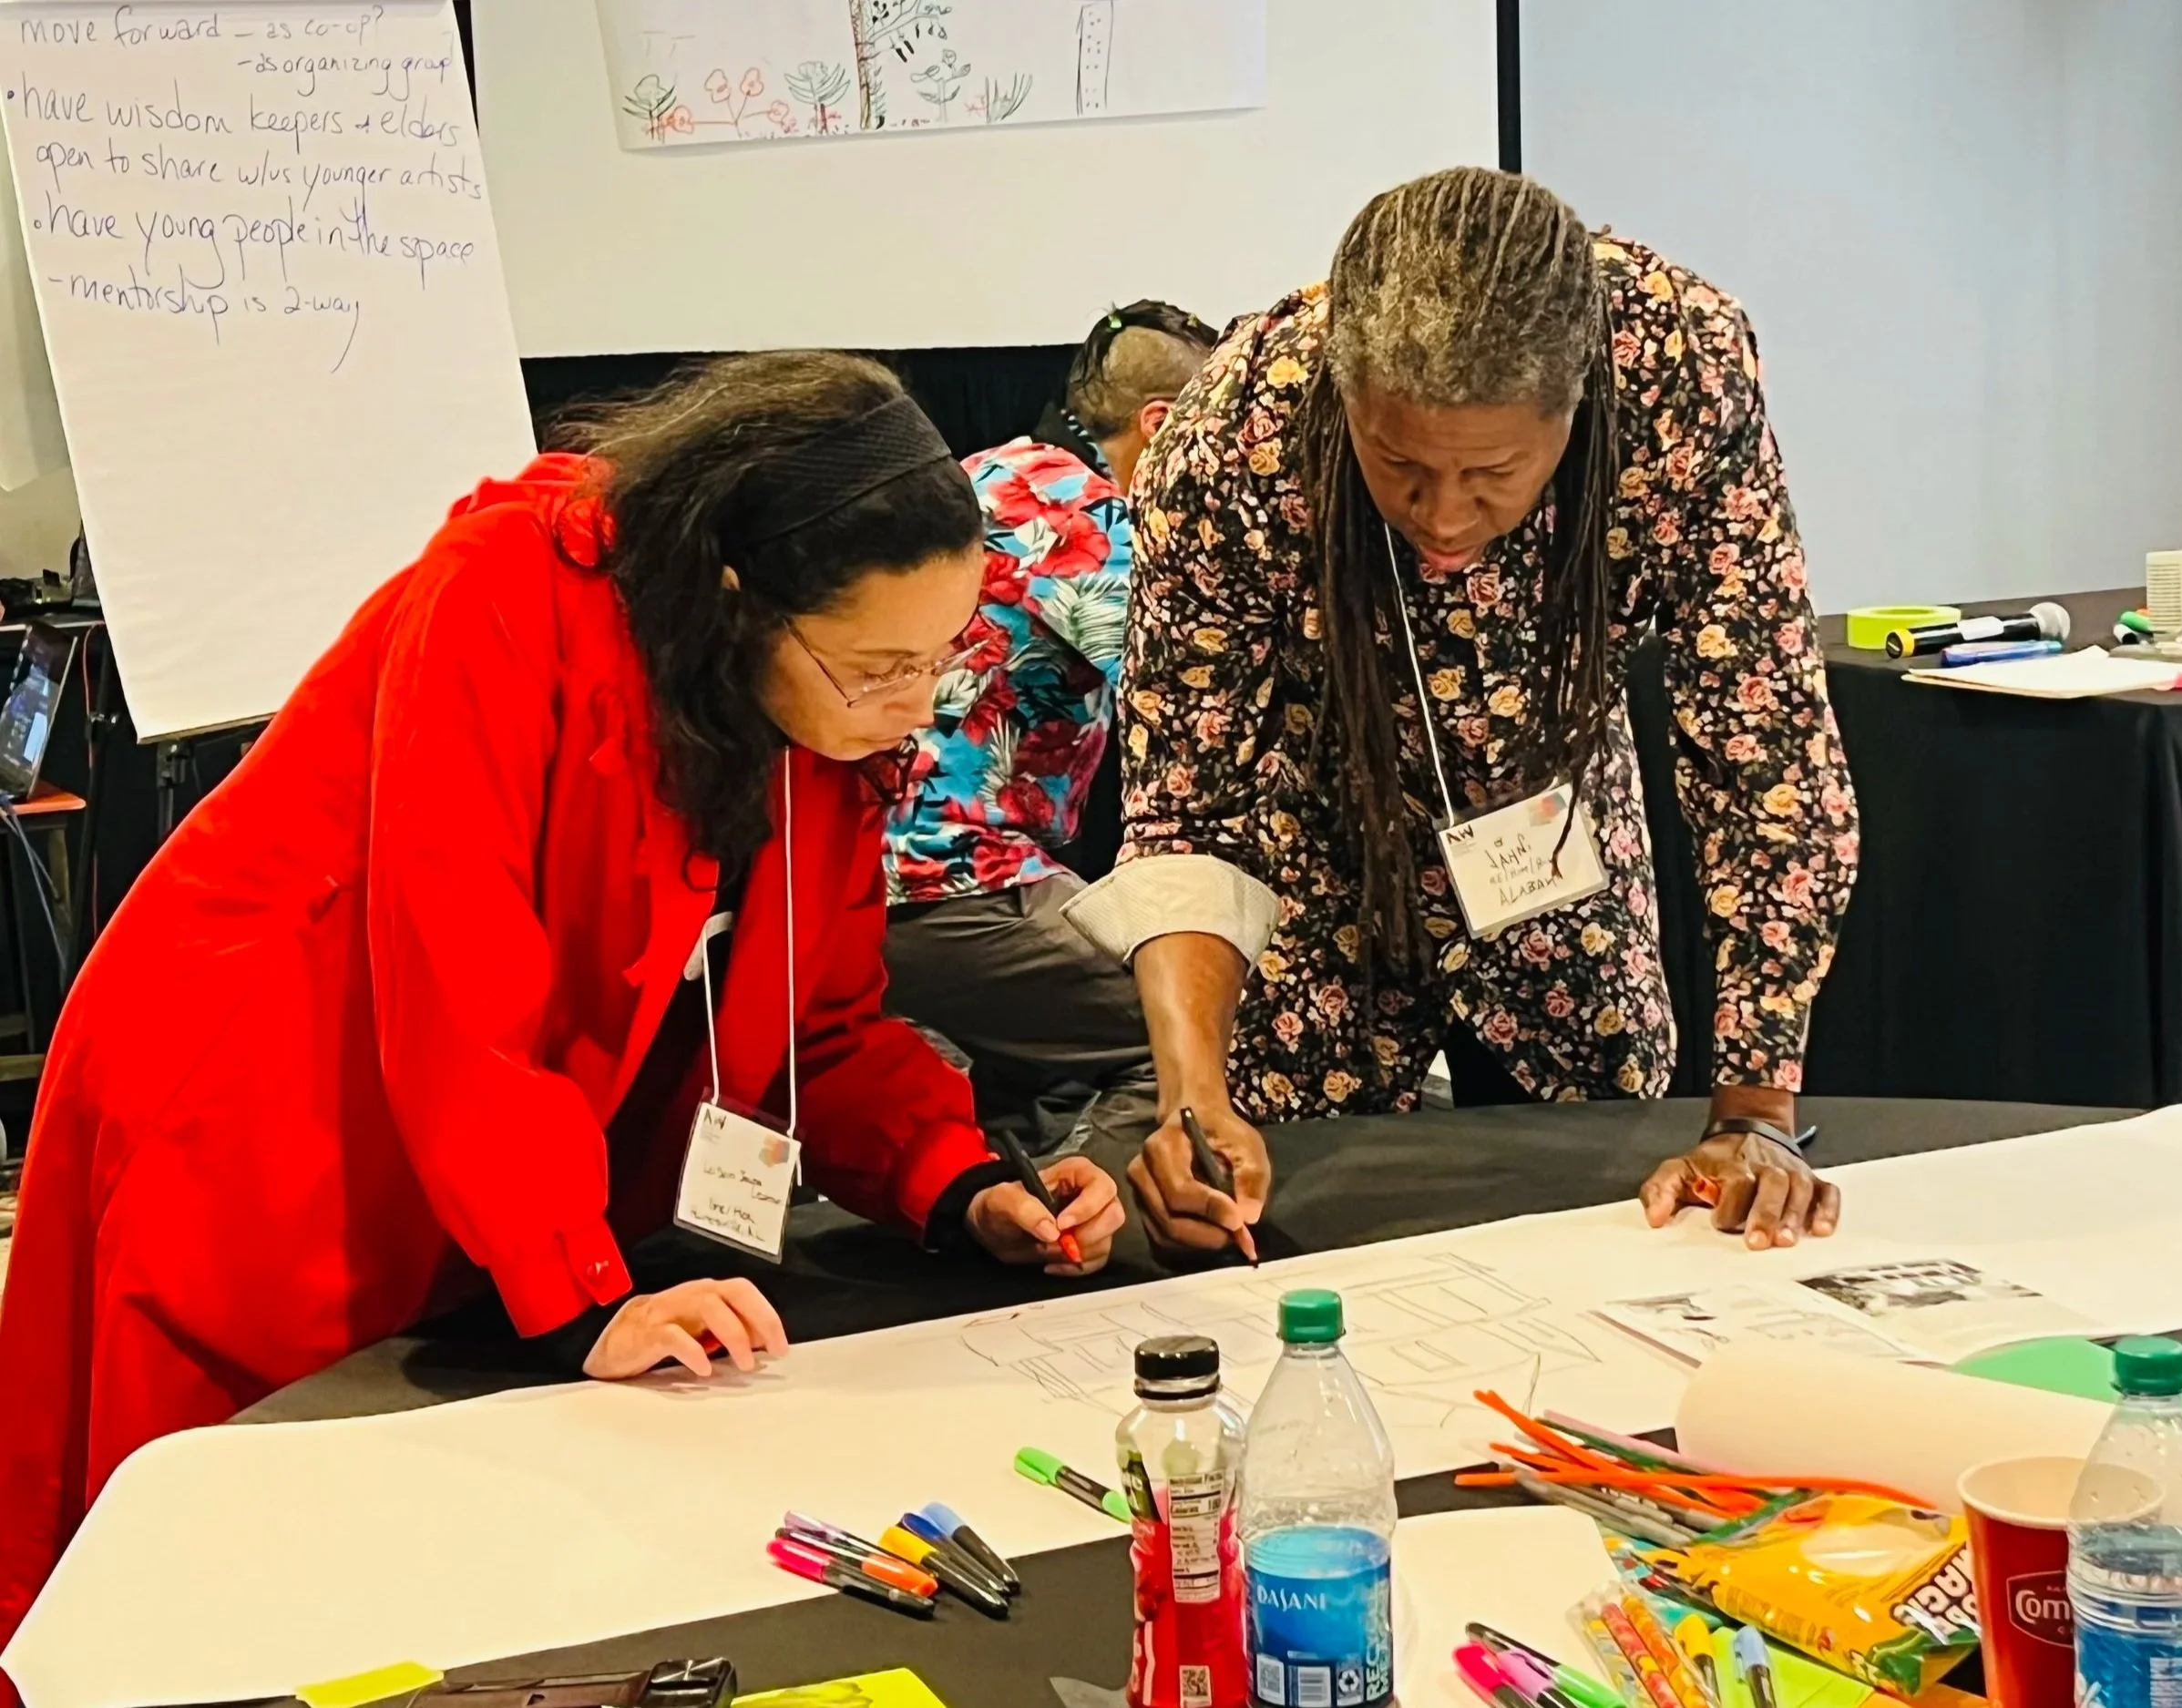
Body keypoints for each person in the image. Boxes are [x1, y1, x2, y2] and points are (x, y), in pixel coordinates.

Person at [0, 353, 1125, 1660]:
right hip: (269, 1101)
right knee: (244, 1571)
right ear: (733, 598)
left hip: (487, 1135)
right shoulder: (505, 594)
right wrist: (582, 1289)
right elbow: (453, 977)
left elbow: (819, 1019)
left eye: (939, 661)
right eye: (878, 666)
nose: (912, 711)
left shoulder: (825, 719)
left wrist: (962, 1173)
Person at [1074, 169, 1859, 1258]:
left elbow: (1762, 749)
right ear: (1342, 398)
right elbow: (1185, 807)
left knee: (1616, 1251)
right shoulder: (1233, 436)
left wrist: (1754, 1116)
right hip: (1319, 885)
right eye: (1397, 463)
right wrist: (1190, 1097)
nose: (1444, 516)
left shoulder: (1676, 372)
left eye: (1494, 471)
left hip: (1563, 863)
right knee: (1290, 1244)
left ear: (1576, 405)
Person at [882, 302, 1220, 1154]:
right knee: (1196, 1034)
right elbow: (1187, 693)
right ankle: (1108, 1239)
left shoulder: (990, 471)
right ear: (1163, 425)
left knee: (1031, 1077)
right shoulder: (1089, 519)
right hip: (953, 877)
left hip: (863, 873)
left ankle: (1007, 1221)